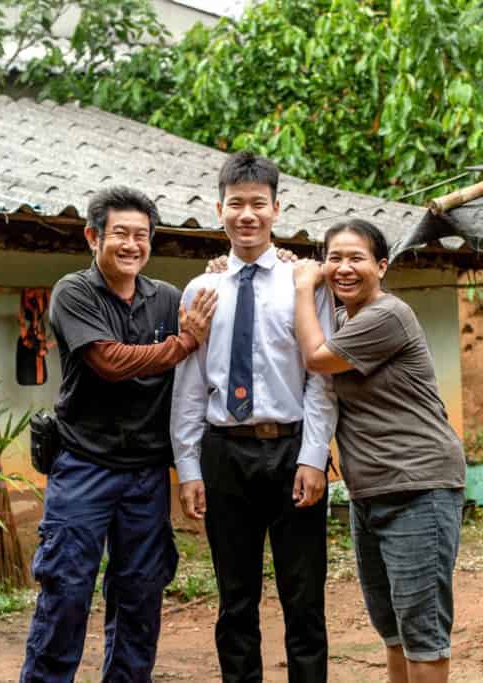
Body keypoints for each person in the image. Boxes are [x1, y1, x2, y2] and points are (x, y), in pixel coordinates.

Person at [21, 186, 217, 683]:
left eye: (142, 236)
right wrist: (183, 343)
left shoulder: (167, 298)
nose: (132, 245)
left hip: (146, 472)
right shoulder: (75, 292)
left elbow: (217, 312)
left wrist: (233, 270)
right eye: (121, 234)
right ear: (93, 237)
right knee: (65, 589)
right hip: (84, 465)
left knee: (140, 593)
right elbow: (108, 361)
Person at [171, 151, 338, 682]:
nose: (247, 214)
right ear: (219, 209)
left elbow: (321, 380)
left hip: (291, 451)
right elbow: (191, 385)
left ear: (276, 209)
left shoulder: (302, 285)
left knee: (304, 599)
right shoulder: (202, 289)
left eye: (258, 204)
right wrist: (190, 467)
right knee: (235, 601)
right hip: (225, 455)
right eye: (236, 204)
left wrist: (314, 458)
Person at [291, 219, 466, 683]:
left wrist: (303, 286)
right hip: (370, 491)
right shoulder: (347, 319)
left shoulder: (387, 316)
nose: (343, 268)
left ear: (381, 266)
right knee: (392, 628)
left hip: (418, 485)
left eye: (356, 258)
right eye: (334, 259)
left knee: (421, 629)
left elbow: (315, 357)